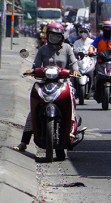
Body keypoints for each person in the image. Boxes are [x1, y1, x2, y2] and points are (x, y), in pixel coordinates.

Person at [15, 22, 80, 152]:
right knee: (33, 111)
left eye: (57, 36)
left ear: (62, 36)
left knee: (71, 105)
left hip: (63, 82)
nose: (54, 38)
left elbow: (74, 63)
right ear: (47, 36)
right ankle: (24, 142)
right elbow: (36, 66)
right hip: (45, 83)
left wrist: (75, 71)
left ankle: (72, 131)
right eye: (52, 35)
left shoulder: (67, 48)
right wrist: (32, 71)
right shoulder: (43, 50)